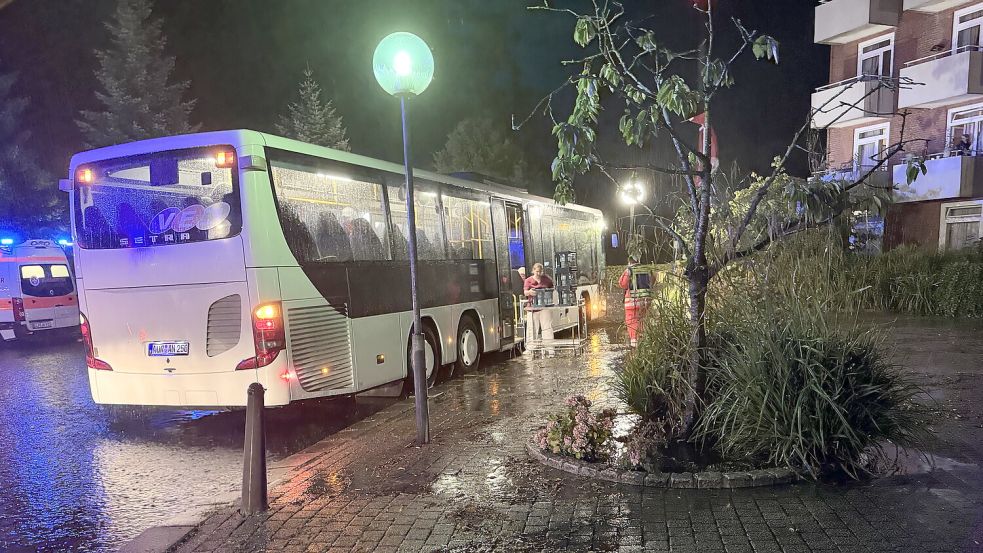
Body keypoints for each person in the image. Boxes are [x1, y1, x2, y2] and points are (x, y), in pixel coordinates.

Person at [618, 256, 651, 347]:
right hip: (646, 301)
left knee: (632, 322)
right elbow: (653, 280)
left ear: (629, 262)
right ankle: (644, 342)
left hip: (633, 302)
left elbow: (622, 284)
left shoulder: (629, 270)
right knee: (642, 320)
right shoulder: (646, 269)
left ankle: (634, 345)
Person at [523, 263, 555, 355]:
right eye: (537, 271)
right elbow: (525, 292)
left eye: (540, 272)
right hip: (533, 307)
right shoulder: (528, 280)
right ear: (533, 271)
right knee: (532, 328)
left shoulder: (546, 279)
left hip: (544, 307)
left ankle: (550, 349)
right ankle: (530, 348)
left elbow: (552, 287)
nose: (538, 273)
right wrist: (529, 292)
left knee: (547, 327)